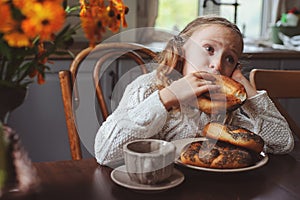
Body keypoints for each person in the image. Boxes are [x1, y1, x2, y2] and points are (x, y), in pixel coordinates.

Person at [94, 15, 294, 166]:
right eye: (209, 49)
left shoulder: (226, 110)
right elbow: (105, 153)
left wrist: (248, 92)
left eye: (229, 59)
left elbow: (282, 143)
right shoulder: (148, 87)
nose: (217, 65)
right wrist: (166, 98)